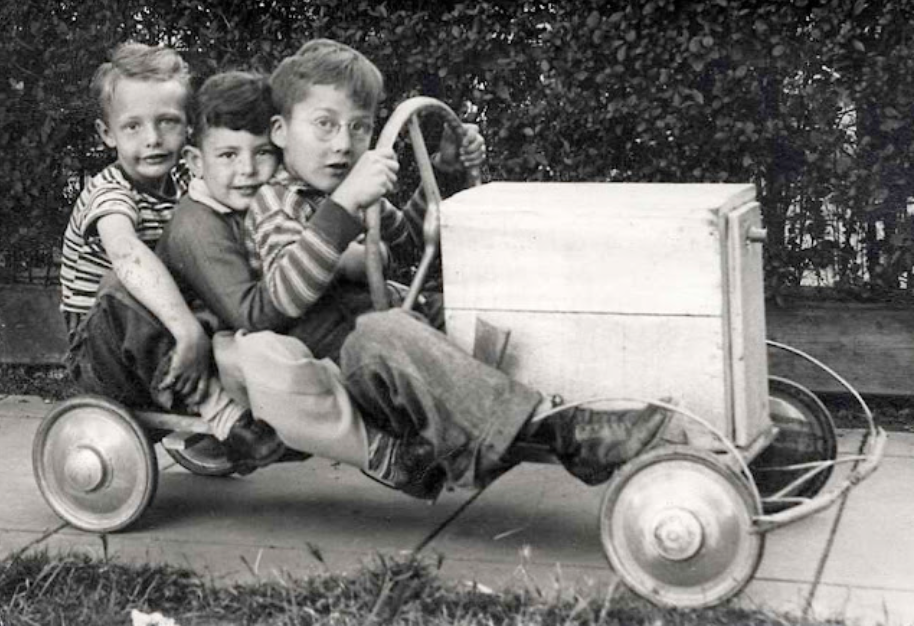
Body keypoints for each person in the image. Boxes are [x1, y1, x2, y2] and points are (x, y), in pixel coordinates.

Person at [158, 39, 675, 497]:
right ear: (282, 131)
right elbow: (284, 295)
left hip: (401, 331)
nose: (343, 143)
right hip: (343, 364)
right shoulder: (277, 202)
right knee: (382, 334)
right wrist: (344, 216)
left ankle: (593, 408)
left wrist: (444, 175)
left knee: (477, 312)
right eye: (325, 125)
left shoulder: (356, 191)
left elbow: (409, 248)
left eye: (359, 127)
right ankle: (565, 436)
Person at [59, 42, 283, 467]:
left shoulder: (187, 173)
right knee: (123, 285)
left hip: (164, 321)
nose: (153, 140)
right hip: (103, 344)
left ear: (189, 128)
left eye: (168, 123)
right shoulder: (110, 192)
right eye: (133, 127)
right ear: (107, 134)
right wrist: (186, 328)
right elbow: (127, 256)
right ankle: (221, 410)